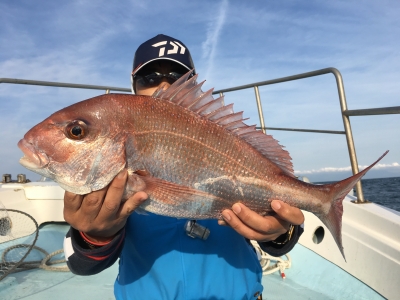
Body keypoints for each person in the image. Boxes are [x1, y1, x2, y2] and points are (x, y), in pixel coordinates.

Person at [63, 34, 305, 300]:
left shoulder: (229, 142)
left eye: (180, 77)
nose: (164, 84)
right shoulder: (108, 161)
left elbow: (279, 240)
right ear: (134, 87)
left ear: (195, 87)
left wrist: (279, 231)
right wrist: (95, 234)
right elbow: (80, 264)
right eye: (150, 77)